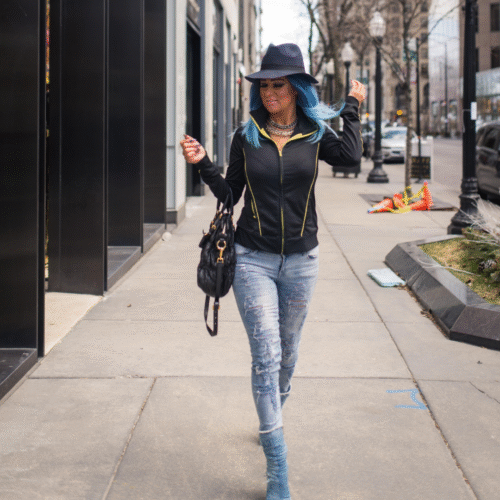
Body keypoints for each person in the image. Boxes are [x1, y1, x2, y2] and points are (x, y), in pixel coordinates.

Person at [180, 43, 365, 500]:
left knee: (287, 354)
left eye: (278, 85)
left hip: (302, 262)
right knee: (265, 355)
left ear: (296, 88)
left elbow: (351, 157)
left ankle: (271, 415)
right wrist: (203, 165)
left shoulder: (315, 133)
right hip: (253, 258)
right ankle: (277, 466)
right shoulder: (247, 136)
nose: (269, 93)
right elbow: (230, 194)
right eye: (263, 86)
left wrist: (353, 107)